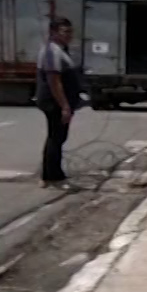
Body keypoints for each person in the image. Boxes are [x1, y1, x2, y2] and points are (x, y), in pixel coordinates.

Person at [34, 16, 83, 189]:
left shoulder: (61, 49)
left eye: (71, 32)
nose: (69, 35)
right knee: (56, 137)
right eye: (65, 32)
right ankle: (51, 176)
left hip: (61, 102)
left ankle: (53, 174)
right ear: (53, 32)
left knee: (59, 137)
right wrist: (64, 106)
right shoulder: (51, 51)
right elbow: (54, 81)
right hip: (54, 102)